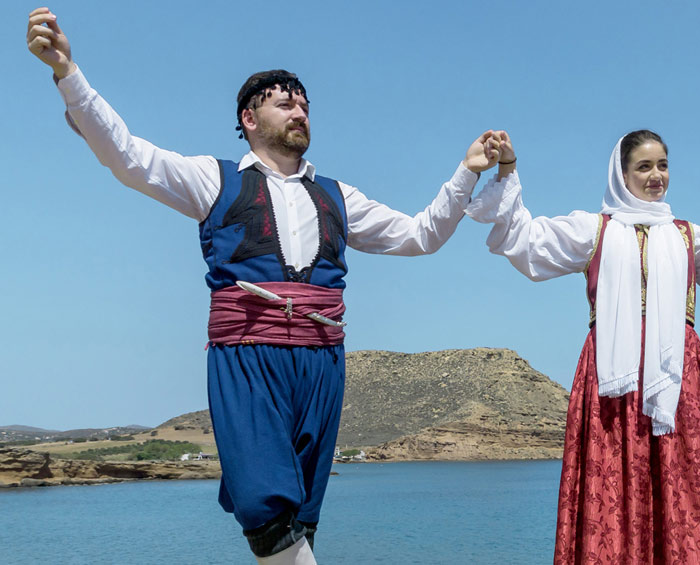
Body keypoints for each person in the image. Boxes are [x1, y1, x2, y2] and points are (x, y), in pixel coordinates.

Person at [26, 7, 504, 564]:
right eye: (285, 102)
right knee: (266, 505)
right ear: (249, 119)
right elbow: (128, 156)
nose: (300, 110)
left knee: (302, 515)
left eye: (304, 103)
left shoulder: (338, 197)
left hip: (324, 361)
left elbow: (422, 235)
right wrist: (68, 72)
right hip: (248, 355)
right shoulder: (214, 179)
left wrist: (467, 171)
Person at [465, 129, 700, 563]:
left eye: (663, 165)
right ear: (622, 173)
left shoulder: (689, 236)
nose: (656, 176)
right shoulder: (594, 230)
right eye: (644, 166)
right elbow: (525, 242)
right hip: (613, 378)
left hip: (676, 379)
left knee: (681, 480)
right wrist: (508, 168)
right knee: (611, 483)